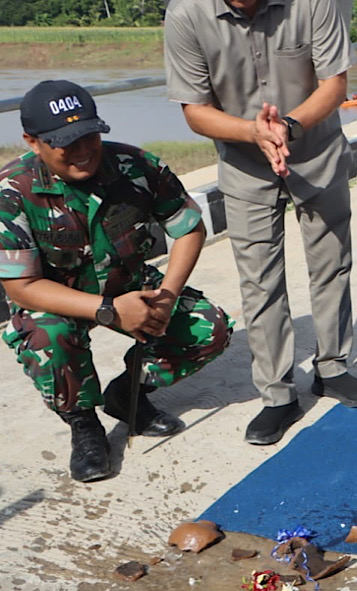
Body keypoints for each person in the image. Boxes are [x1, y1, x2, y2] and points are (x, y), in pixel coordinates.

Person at [164, 0, 357, 447]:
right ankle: (278, 393)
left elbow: (334, 82)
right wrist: (256, 132)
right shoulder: (187, 13)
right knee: (260, 279)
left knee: (331, 263)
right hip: (244, 164)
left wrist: (290, 126)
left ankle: (332, 367)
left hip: (316, 149)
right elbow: (195, 110)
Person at [0, 81, 232, 482]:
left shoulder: (135, 166)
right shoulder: (11, 192)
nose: (84, 150)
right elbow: (21, 287)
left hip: (129, 283)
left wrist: (167, 297)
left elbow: (189, 228)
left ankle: (128, 397)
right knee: (46, 338)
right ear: (33, 142)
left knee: (209, 327)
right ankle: (84, 425)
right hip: (59, 299)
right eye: (65, 143)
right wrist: (108, 311)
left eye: (89, 135)